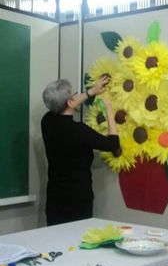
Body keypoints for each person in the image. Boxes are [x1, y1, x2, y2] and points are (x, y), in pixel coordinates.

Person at [41, 76, 120, 226]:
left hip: (55, 198)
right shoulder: (79, 131)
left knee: (56, 241)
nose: (76, 97)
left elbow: (66, 105)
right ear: (70, 102)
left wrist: (92, 92)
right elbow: (113, 144)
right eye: (74, 95)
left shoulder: (47, 122)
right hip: (78, 199)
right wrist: (109, 109)